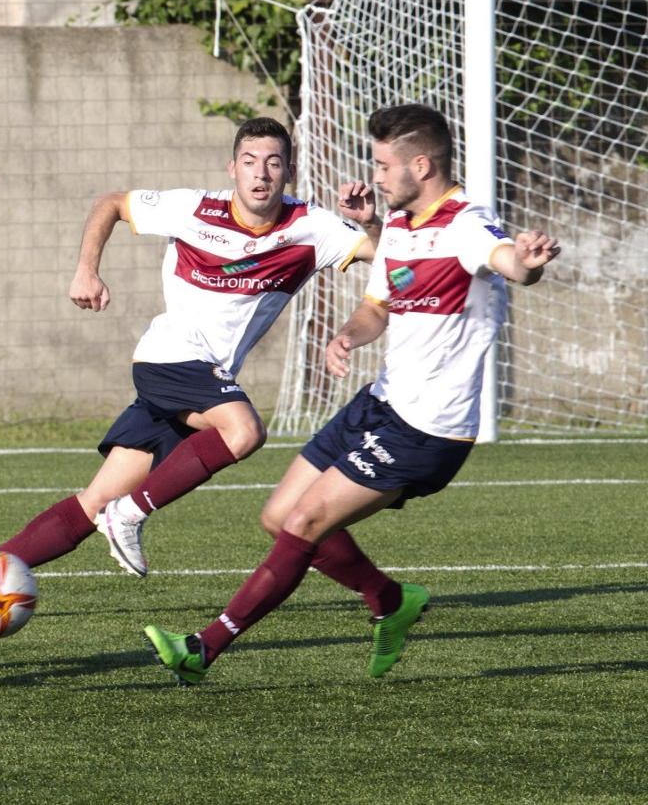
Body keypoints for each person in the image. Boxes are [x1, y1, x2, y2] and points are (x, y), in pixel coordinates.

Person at [144, 103, 562, 685]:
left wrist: (527, 262)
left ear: (421, 165)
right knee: (277, 516)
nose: (378, 176)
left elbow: (507, 260)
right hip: (380, 400)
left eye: (385, 165)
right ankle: (391, 600)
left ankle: (203, 647)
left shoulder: (465, 223)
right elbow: (376, 307)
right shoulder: (397, 227)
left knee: (305, 524)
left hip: (428, 430)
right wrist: (347, 335)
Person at [0, 117, 379, 579]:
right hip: (170, 360)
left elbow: (389, 255)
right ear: (231, 168)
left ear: (289, 172)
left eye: (274, 163)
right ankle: (130, 514)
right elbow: (110, 203)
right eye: (250, 162)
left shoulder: (311, 227)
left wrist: (370, 221)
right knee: (245, 432)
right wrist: (86, 271)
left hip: (200, 380)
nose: (261, 174)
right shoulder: (195, 208)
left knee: (93, 500)